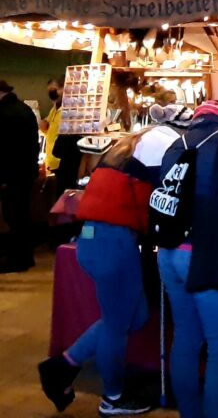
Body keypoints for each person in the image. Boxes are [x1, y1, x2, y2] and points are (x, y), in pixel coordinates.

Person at [37, 119, 185, 416]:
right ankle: (112, 398)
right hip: (114, 242)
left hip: (94, 237)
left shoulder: (125, 151)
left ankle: (63, 365)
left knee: (135, 316)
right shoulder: (165, 150)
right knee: (117, 324)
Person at [157, 99, 218, 418]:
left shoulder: (177, 142)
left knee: (186, 337)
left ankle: (189, 413)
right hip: (209, 256)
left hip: (170, 251)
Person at [0, 80, 39, 273]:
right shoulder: (24, 109)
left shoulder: (6, 114)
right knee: (22, 214)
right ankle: (25, 256)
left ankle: (18, 259)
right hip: (25, 172)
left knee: (14, 216)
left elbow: (5, 150)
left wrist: (3, 177)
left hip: (12, 174)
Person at [40, 78, 63, 177]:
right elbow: (48, 129)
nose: (52, 93)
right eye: (49, 91)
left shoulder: (68, 111)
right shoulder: (54, 109)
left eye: (54, 90)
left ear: (63, 89)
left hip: (60, 160)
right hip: (51, 160)